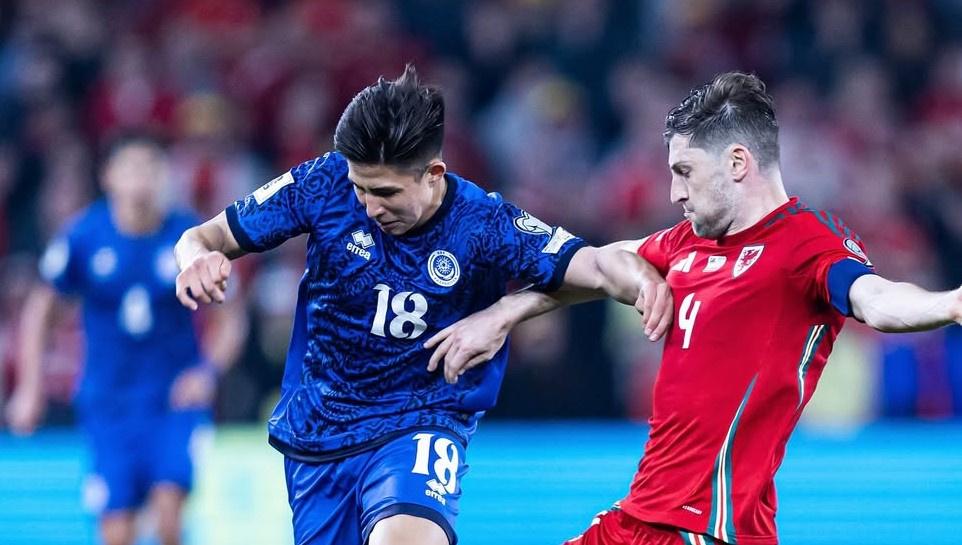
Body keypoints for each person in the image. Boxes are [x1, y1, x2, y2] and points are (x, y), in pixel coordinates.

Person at [426, 71, 962, 545]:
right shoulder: (685, 242)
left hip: (708, 528)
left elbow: (877, 299)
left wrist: (952, 304)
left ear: (737, 163)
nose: (674, 192)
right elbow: (599, 264)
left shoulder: (806, 244)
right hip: (638, 519)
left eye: (685, 171)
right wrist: (502, 314)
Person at [173, 64, 672, 545]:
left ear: (433, 173)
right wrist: (196, 260)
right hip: (321, 429)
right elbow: (204, 236)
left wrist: (507, 311)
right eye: (360, 188)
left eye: (385, 192)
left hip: (422, 419)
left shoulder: (482, 222)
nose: (369, 207)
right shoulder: (323, 182)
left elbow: (596, 265)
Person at [4, 133, 245, 545]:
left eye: (151, 166)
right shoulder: (83, 236)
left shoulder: (188, 236)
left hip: (173, 399)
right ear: (108, 176)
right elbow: (40, 309)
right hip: (108, 403)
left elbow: (232, 315)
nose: (141, 177)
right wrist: (30, 388)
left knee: (169, 516)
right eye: (131, 166)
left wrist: (207, 372)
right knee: (117, 531)